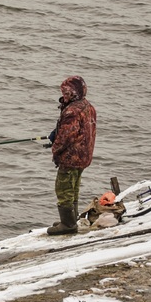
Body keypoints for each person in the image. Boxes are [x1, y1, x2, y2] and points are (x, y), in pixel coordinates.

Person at [46, 76, 97, 235]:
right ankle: (71, 219)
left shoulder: (72, 111)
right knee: (73, 187)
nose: (64, 94)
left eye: (66, 92)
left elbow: (66, 137)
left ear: (74, 93)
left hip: (71, 157)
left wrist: (55, 149)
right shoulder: (87, 106)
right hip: (83, 156)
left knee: (63, 189)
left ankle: (68, 225)